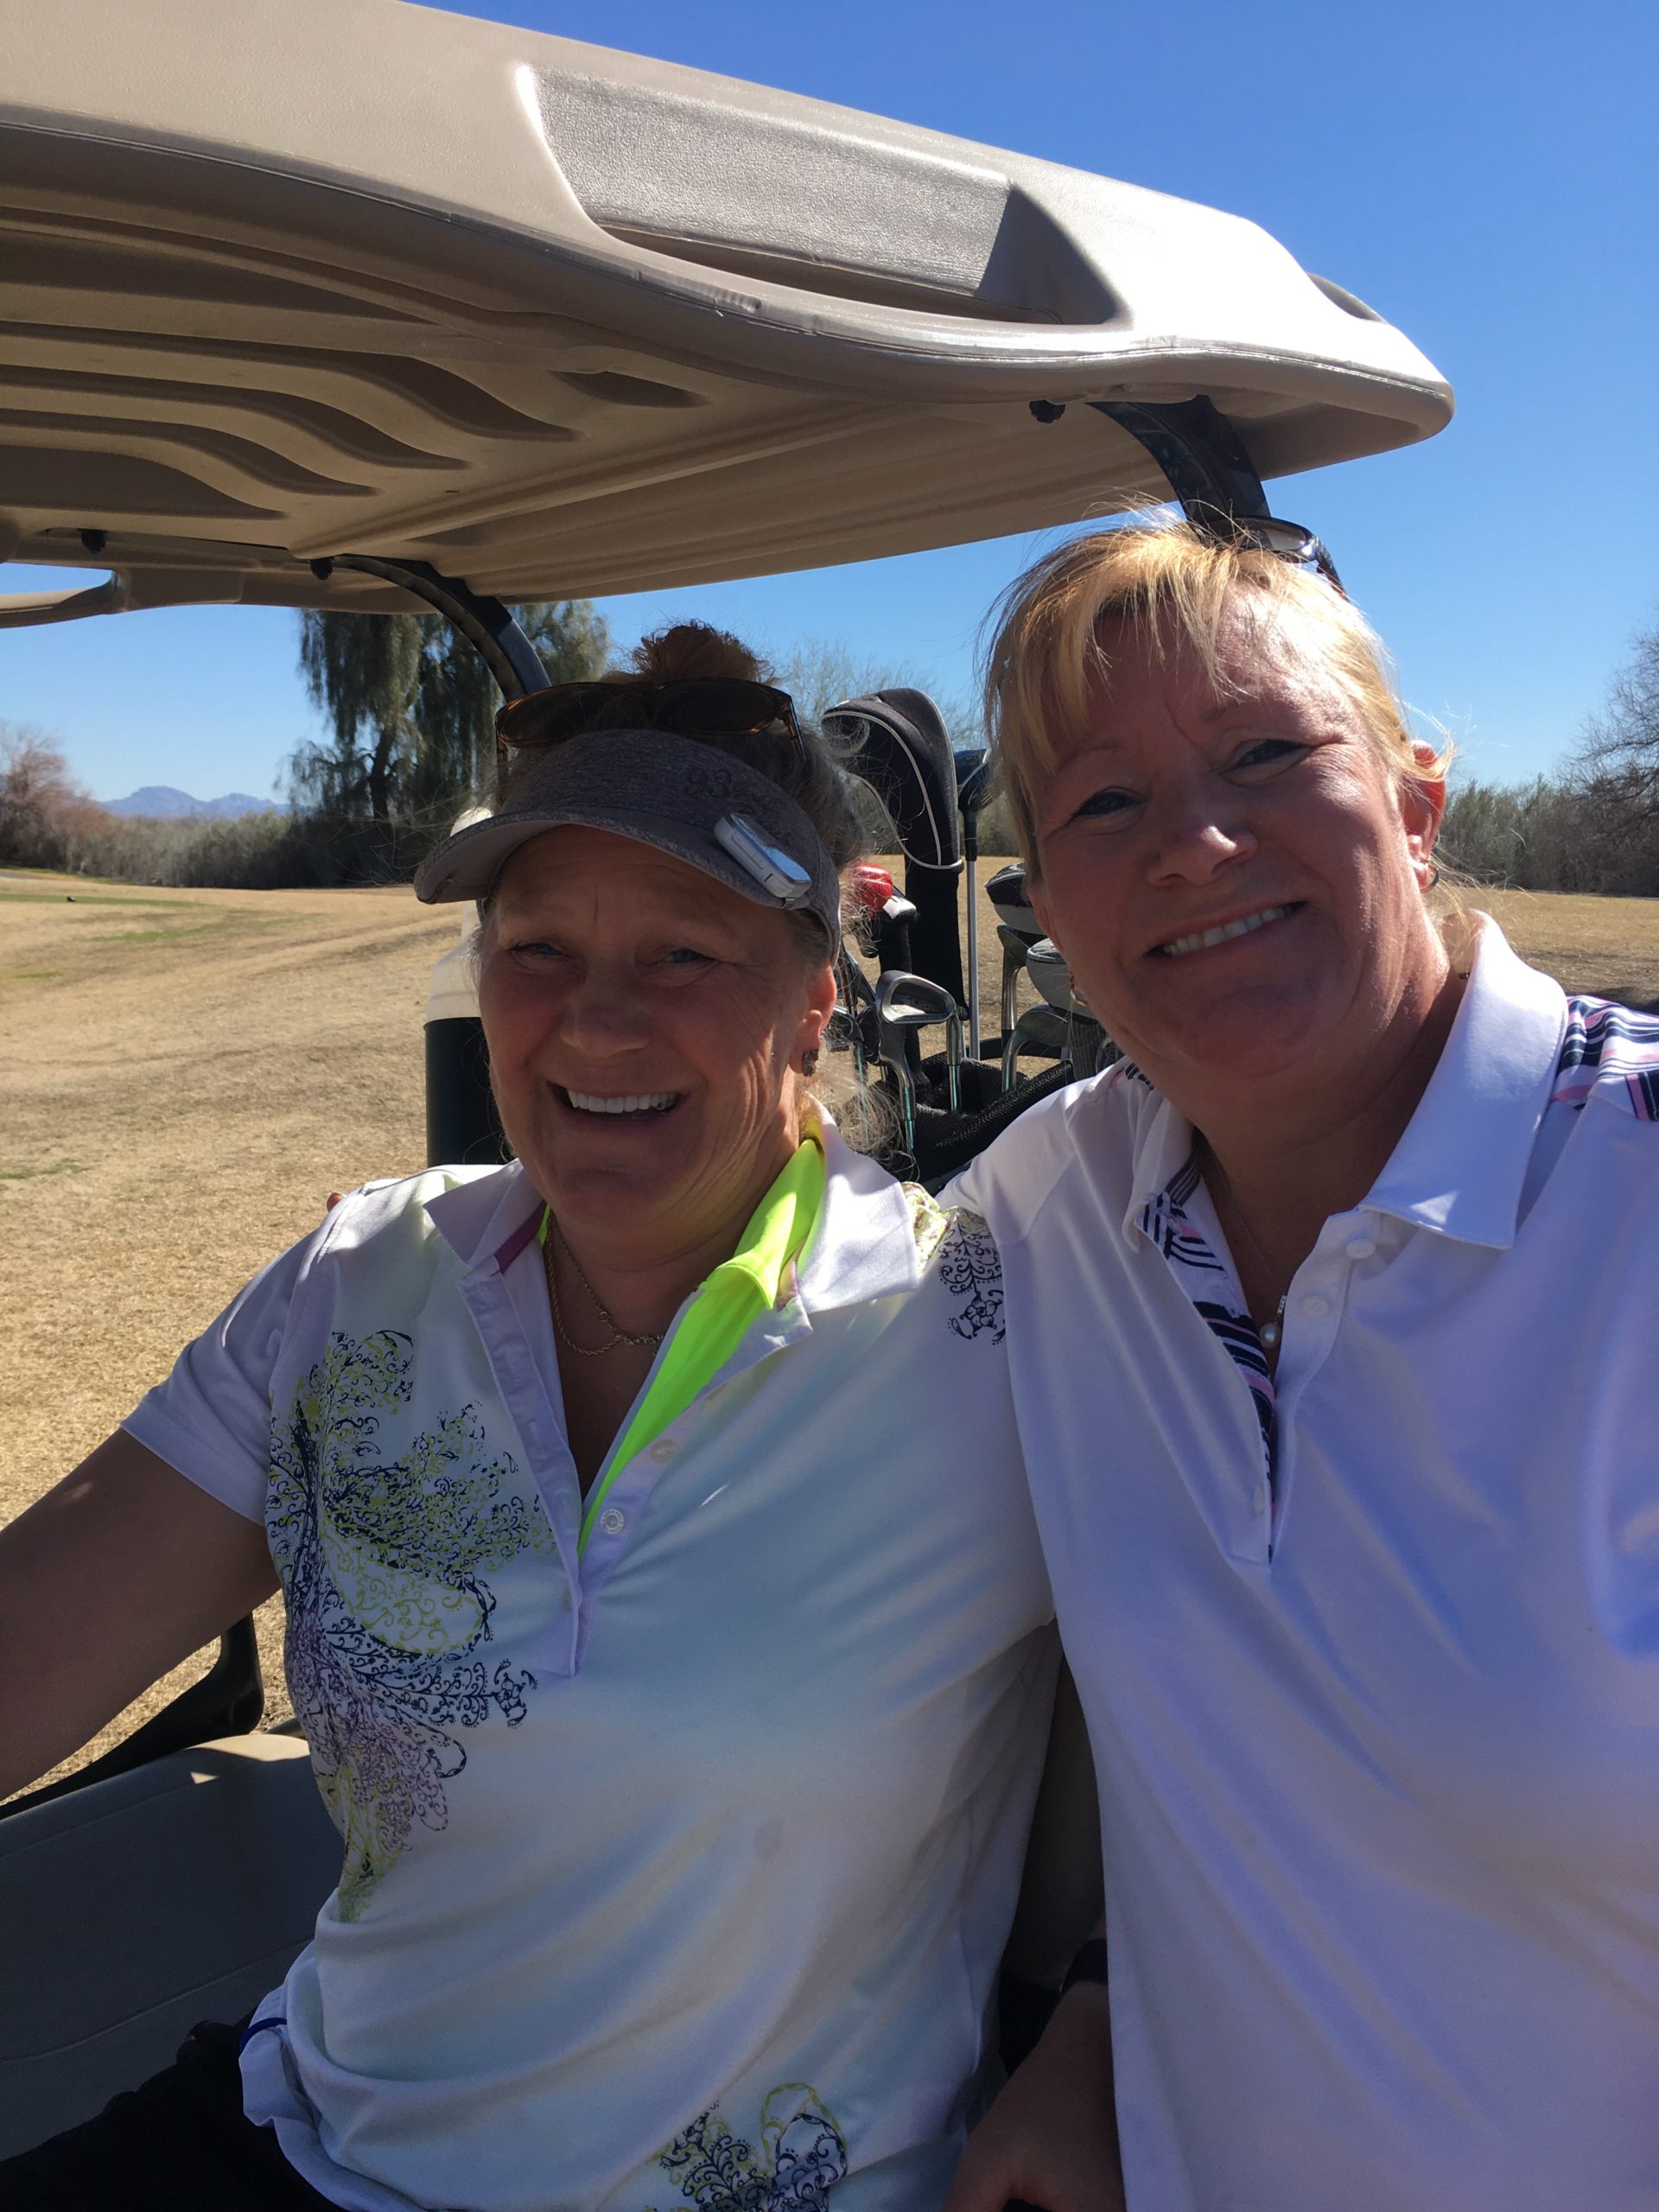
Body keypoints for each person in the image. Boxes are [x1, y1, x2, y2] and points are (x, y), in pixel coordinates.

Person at [0, 625, 1056, 2211]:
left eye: (684, 955)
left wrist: (1095, 2014)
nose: (595, 1021)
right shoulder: (358, 1281)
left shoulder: (983, 1330)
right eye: (538, 947)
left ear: (811, 1004)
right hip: (316, 2138)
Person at [942, 520, 1659, 2212]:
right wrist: (1100, 2001)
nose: (1195, 843)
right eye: (1105, 802)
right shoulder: (1052, 1209)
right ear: (1044, 904)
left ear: (1416, 804)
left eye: (1267, 754)